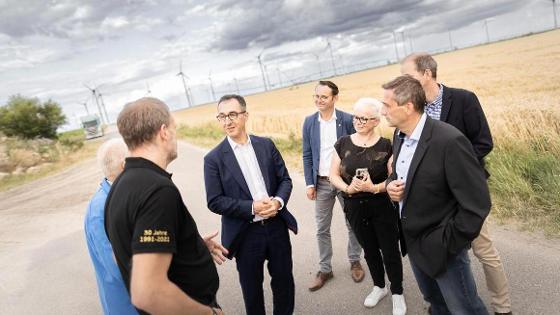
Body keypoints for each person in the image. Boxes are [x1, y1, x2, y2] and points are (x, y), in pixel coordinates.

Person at [401, 53, 511, 315]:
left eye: (409, 75)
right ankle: (444, 303)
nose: (405, 80)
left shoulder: (463, 99)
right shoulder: (412, 108)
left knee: (484, 251)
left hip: (464, 192)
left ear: (427, 73)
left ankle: (502, 307)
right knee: (444, 252)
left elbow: (484, 142)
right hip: (432, 198)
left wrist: (451, 171)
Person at [105, 97, 227, 315]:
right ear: (164, 132)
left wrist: (191, 246)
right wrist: (209, 314)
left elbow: (122, 254)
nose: (175, 135)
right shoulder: (157, 191)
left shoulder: (118, 187)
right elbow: (148, 293)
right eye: (174, 128)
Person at [381, 75, 491, 314]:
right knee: (436, 303)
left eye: (387, 106)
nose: (382, 112)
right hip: (413, 242)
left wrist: (447, 242)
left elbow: (477, 203)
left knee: (465, 308)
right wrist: (390, 186)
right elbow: (400, 174)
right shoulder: (399, 136)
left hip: (443, 247)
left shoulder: (449, 140)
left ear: (408, 107)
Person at [204, 94, 298, 315]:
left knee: (284, 281)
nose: (228, 121)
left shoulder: (266, 145)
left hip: (276, 226)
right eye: (222, 116)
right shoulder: (213, 158)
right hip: (245, 234)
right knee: (252, 290)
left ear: (245, 115)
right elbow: (214, 200)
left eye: (233, 114)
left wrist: (277, 202)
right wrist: (251, 208)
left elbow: (285, 179)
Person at [329, 98, 406, 315]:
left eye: (364, 118)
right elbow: (332, 174)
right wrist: (348, 188)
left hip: (381, 204)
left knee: (390, 250)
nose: (358, 122)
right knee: (370, 250)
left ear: (375, 120)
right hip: (354, 205)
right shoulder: (342, 143)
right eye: (356, 117)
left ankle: (398, 293)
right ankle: (379, 287)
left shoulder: (386, 146)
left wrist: (374, 187)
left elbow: (394, 177)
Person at [302, 80, 365, 291]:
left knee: (353, 223)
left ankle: (355, 261)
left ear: (334, 98)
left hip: (345, 181)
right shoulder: (309, 122)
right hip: (321, 183)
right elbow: (307, 154)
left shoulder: (347, 120)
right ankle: (325, 269)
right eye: (316, 96)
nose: (319, 100)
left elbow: (358, 148)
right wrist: (309, 183)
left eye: (324, 97)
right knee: (321, 228)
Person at [84, 138, 138, 315]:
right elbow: (119, 268)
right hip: (129, 307)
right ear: (124, 165)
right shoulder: (100, 211)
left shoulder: (123, 195)